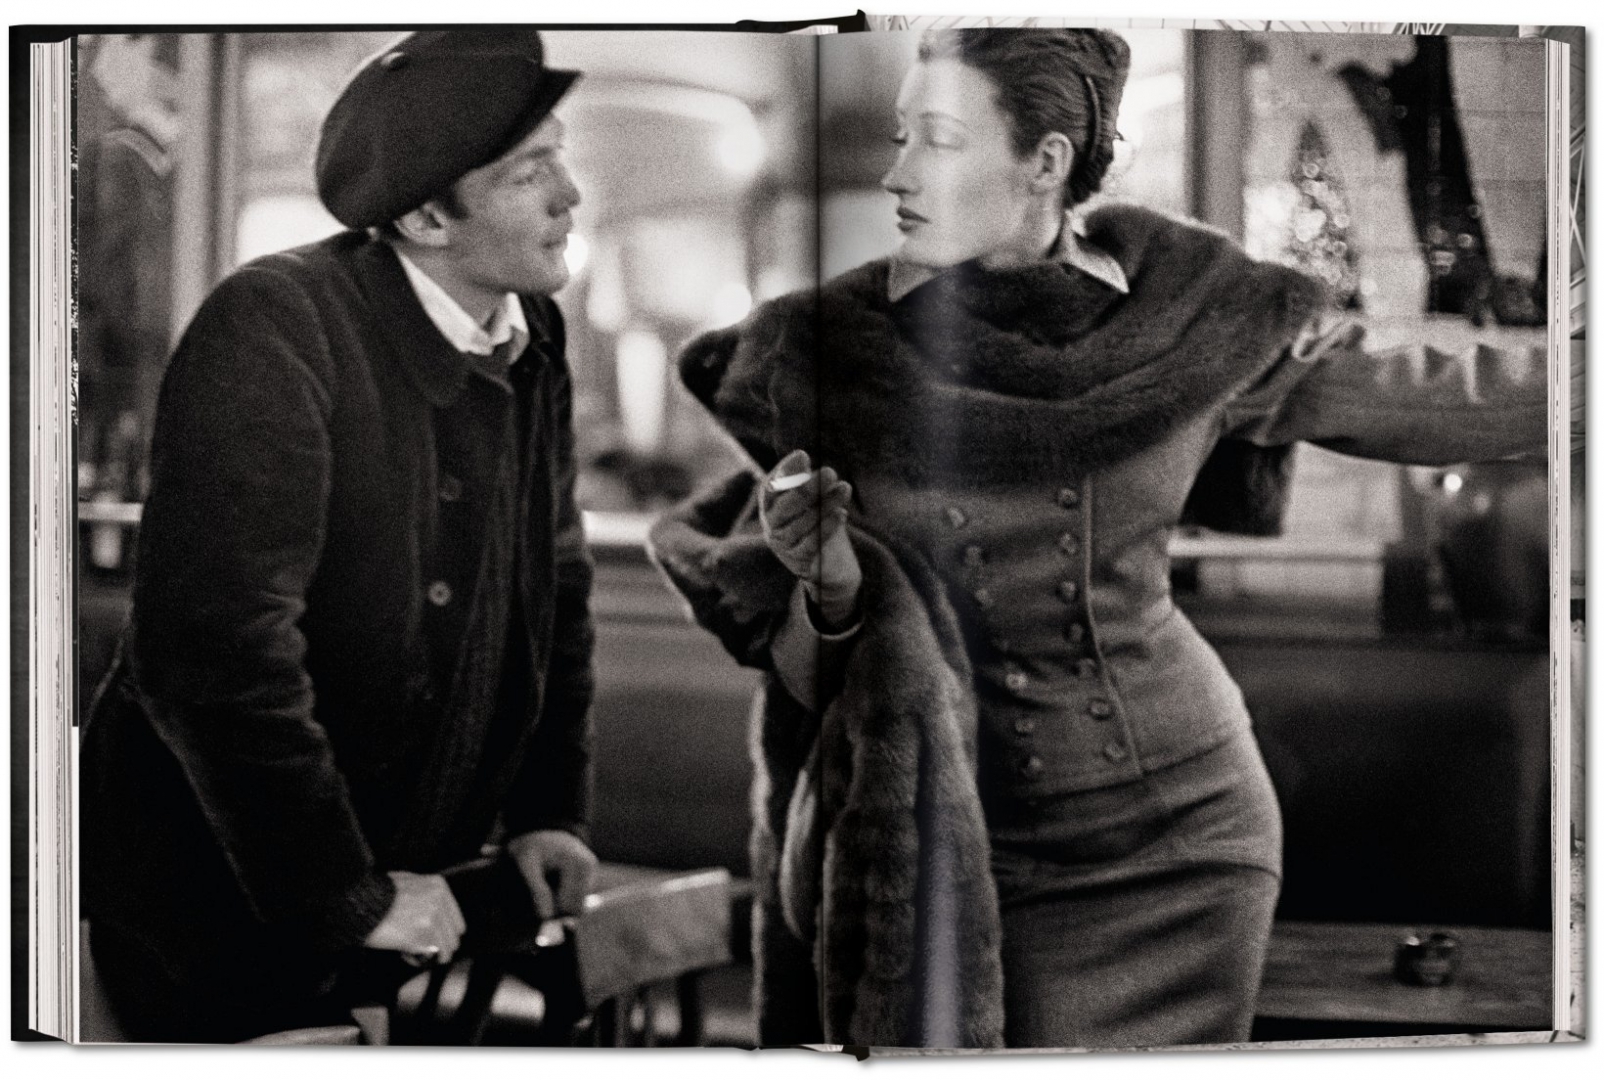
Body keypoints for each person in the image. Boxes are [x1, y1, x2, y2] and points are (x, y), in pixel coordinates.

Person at [649, 28, 1546, 1050]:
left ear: (1045, 160)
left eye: (938, 138)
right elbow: (808, 678)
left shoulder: (1187, 321)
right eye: (902, 137)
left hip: (1187, 841)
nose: (898, 173)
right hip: (965, 849)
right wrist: (831, 586)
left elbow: (1423, 396)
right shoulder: (827, 360)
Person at [81, 29, 598, 1043]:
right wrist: (345, 897)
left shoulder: (533, 332)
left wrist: (549, 811)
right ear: (424, 217)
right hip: (208, 900)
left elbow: (556, 586)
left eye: (560, 155)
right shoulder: (276, 324)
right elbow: (214, 655)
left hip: (396, 888)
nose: (569, 195)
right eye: (529, 171)